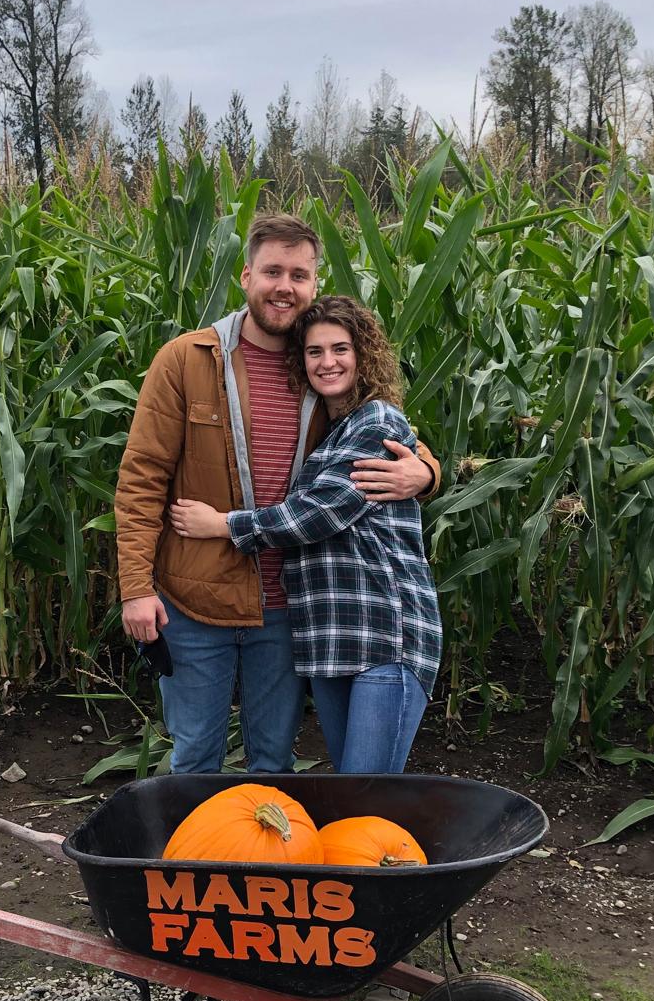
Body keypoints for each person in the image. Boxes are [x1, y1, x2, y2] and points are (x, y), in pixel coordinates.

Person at [115, 214, 440, 773]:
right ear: (246, 275)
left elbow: (397, 439)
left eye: (299, 274)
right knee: (195, 758)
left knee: (273, 761)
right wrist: (135, 589)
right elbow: (142, 479)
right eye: (272, 271)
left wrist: (428, 474)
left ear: (314, 284)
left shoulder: (318, 367)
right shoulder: (187, 360)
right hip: (196, 601)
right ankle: (198, 864)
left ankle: (264, 864)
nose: (284, 286)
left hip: (289, 609)